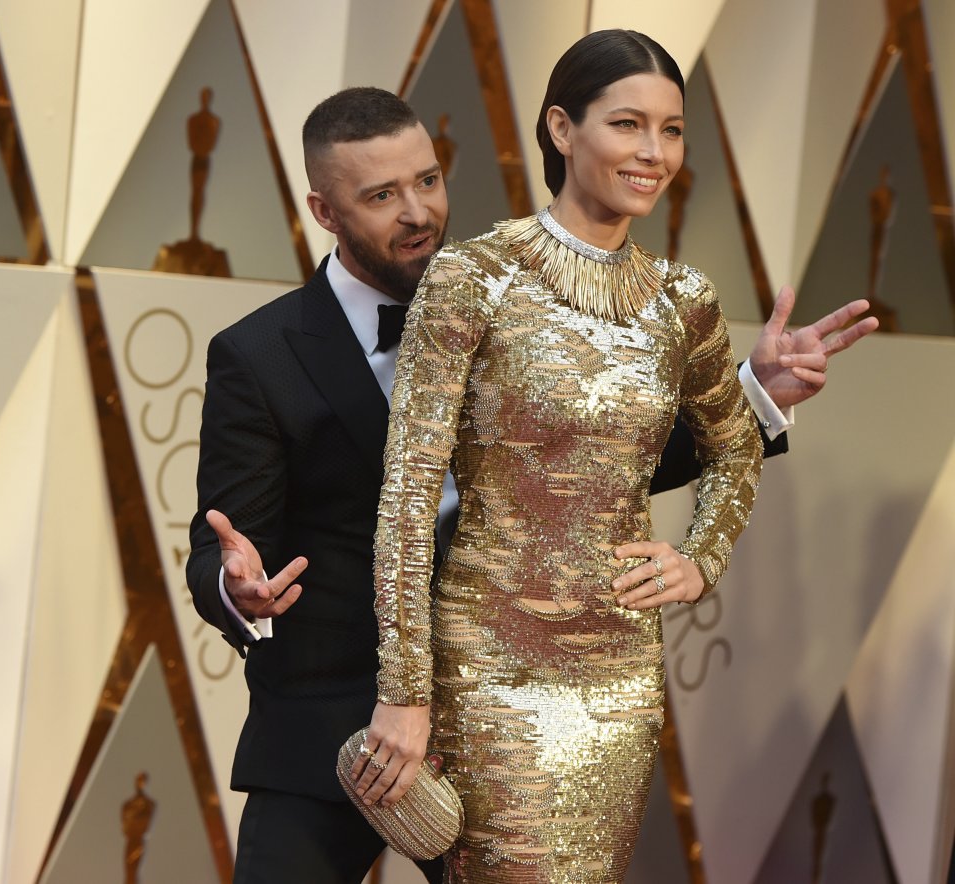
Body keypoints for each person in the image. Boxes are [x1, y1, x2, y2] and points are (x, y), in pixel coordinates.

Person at [186, 86, 874, 884]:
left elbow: (599, 473)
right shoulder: (259, 355)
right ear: (324, 211)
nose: (418, 212)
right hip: (336, 728)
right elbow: (221, 546)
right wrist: (239, 590)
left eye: (428, 181)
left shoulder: (513, 293)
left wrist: (748, 396)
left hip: (513, 716)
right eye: (381, 196)